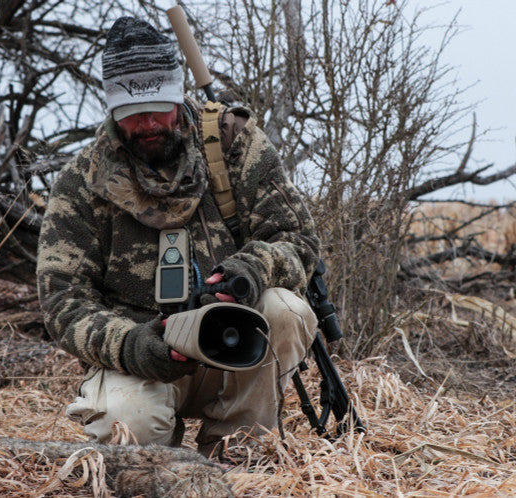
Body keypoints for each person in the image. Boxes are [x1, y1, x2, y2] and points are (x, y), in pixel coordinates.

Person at [37, 16, 321, 457]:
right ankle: (156, 463)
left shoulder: (233, 144)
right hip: (137, 354)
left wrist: (252, 268)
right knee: (128, 428)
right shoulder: (81, 181)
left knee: (284, 309)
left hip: (233, 342)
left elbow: (298, 241)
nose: (149, 124)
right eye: (133, 114)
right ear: (113, 110)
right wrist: (131, 346)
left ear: (178, 96)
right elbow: (62, 300)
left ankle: (239, 454)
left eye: (159, 108)